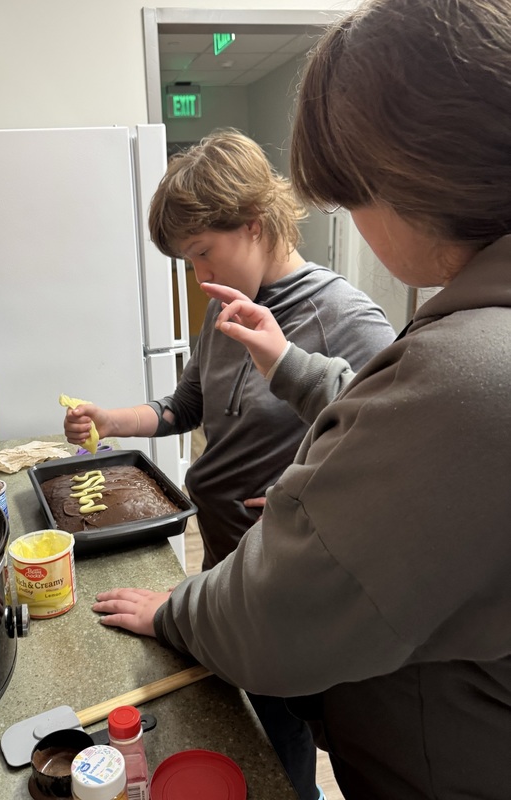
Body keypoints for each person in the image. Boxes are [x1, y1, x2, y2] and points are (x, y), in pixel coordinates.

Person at [89, 1, 511, 798]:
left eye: (353, 196)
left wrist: (187, 604)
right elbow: (353, 415)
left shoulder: (438, 356)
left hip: (406, 728)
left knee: (278, 757)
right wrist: (283, 364)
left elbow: (286, 610)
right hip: (240, 575)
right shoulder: (240, 318)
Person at [64, 129, 395, 800]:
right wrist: (111, 420)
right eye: (189, 263)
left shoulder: (347, 321)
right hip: (225, 559)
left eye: (201, 254)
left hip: (287, 581)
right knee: (254, 714)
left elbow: (387, 461)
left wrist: (312, 497)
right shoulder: (227, 310)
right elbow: (187, 404)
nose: (200, 277)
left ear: (253, 222)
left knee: (289, 730)